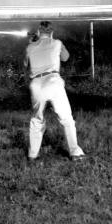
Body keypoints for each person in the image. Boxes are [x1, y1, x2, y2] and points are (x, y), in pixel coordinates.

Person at [24, 21, 85, 161]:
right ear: (52, 32)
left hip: (36, 84)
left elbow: (25, 64)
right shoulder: (57, 43)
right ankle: (75, 152)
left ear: (39, 33)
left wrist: (32, 44)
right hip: (53, 81)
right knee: (66, 118)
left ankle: (33, 155)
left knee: (36, 119)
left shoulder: (30, 47)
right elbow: (66, 57)